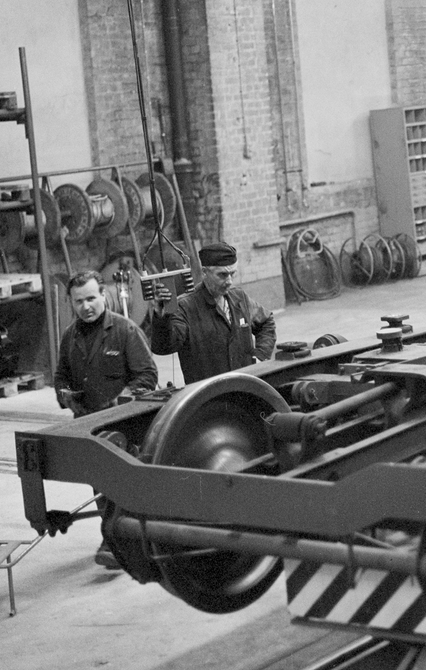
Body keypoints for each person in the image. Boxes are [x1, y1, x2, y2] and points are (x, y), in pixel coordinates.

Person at [54, 269, 159, 568]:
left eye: (91, 298)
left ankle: (120, 541)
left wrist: (122, 399)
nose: (86, 306)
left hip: (124, 427)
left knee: (125, 484)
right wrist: (64, 394)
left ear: (103, 295)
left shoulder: (125, 331)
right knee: (101, 487)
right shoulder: (69, 336)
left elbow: (147, 375)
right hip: (89, 426)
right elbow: (61, 375)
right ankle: (115, 540)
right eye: (79, 301)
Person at [148, 242, 276, 383]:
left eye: (232, 274)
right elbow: (164, 347)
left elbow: (266, 322)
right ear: (204, 272)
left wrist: (261, 356)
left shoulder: (239, 298)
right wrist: (161, 317)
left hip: (246, 386)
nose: (229, 281)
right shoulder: (186, 307)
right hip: (210, 393)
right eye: (222, 275)